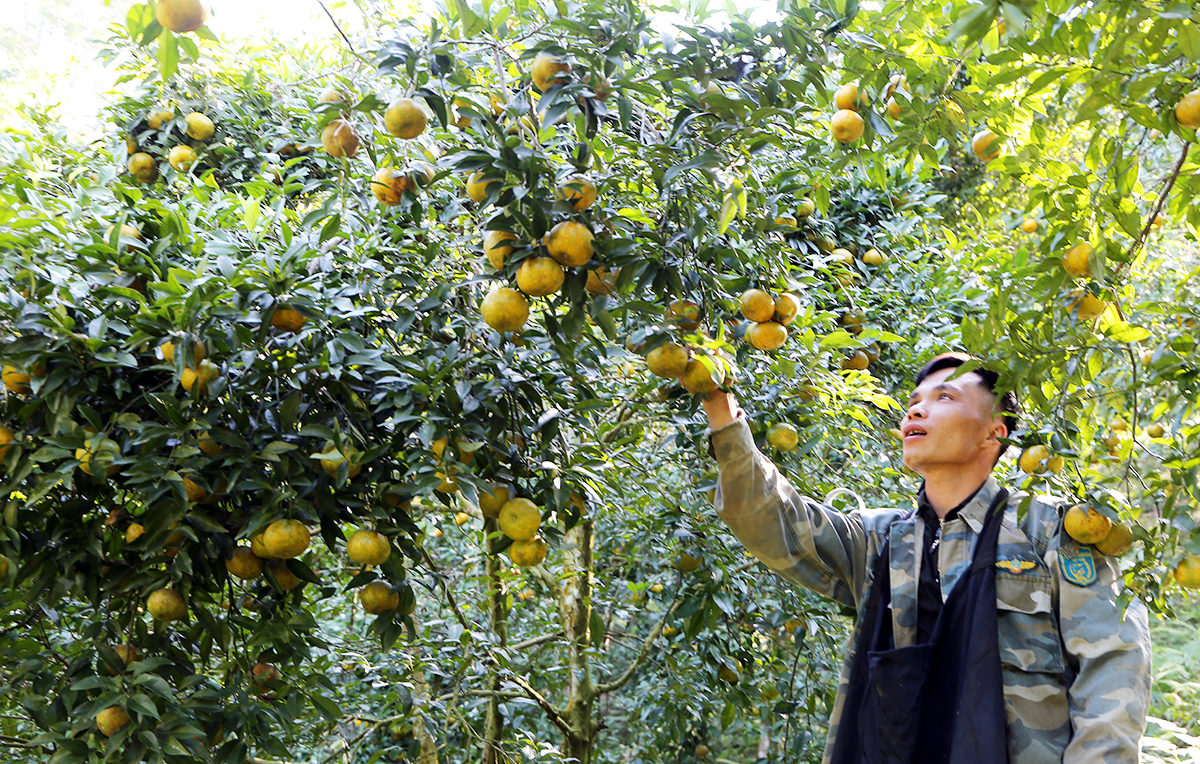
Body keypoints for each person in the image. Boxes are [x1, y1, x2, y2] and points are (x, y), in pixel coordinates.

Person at [704, 352, 1152, 764]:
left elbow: (1113, 665)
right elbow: (776, 523)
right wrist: (720, 409)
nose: (916, 410)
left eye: (945, 397)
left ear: (995, 430)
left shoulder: (1050, 530)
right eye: (914, 401)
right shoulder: (881, 539)